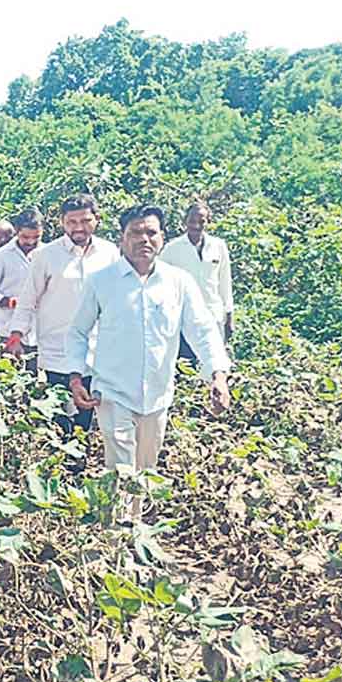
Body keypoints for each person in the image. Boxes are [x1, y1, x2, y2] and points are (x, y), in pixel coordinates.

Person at [66, 204, 230, 518]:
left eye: (151, 232)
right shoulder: (103, 281)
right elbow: (77, 331)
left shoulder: (178, 282)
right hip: (112, 392)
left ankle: (135, 528)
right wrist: (76, 377)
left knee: (145, 469)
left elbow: (202, 329)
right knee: (120, 467)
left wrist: (217, 375)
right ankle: (116, 538)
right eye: (136, 233)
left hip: (157, 394)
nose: (144, 239)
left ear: (163, 238)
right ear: (121, 239)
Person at [7, 193, 119, 446]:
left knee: (87, 416)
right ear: (61, 223)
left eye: (85, 221)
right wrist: (17, 334)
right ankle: (61, 466)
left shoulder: (110, 253)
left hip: (96, 350)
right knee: (59, 416)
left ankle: (79, 469)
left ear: (97, 220)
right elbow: (28, 299)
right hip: (57, 350)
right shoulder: (46, 255)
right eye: (71, 222)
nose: (78, 227)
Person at [160, 202, 235, 360]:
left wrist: (229, 316)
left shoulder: (218, 246)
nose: (196, 225)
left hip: (213, 315)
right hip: (182, 317)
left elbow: (224, 282)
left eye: (202, 221)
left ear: (208, 222)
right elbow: (160, 283)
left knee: (213, 362)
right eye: (192, 220)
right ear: (185, 221)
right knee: (186, 364)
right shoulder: (172, 249)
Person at [0, 209, 44, 362]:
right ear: (16, 231)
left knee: (34, 377)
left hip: (38, 331)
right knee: (9, 375)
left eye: (36, 237)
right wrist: (9, 302)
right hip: (8, 328)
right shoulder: (1, 256)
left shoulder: (47, 253)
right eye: (25, 237)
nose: (30, 242)